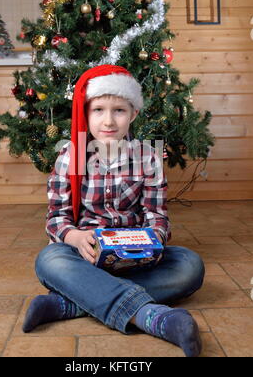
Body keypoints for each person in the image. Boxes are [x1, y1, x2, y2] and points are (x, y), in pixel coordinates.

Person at [22, 65, 205, 357]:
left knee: (189, 266)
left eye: (119, 110)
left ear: (133, 114)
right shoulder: (71, 156)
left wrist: (153, 241)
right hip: (86, 255)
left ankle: (71, 303)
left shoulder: (148, 157)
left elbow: (157, 216)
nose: (108, 121)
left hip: (135, 256)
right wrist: (75, 237)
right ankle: (152, 317)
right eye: (98, 110)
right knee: (49, 259)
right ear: (86, 113)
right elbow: (56, 219)